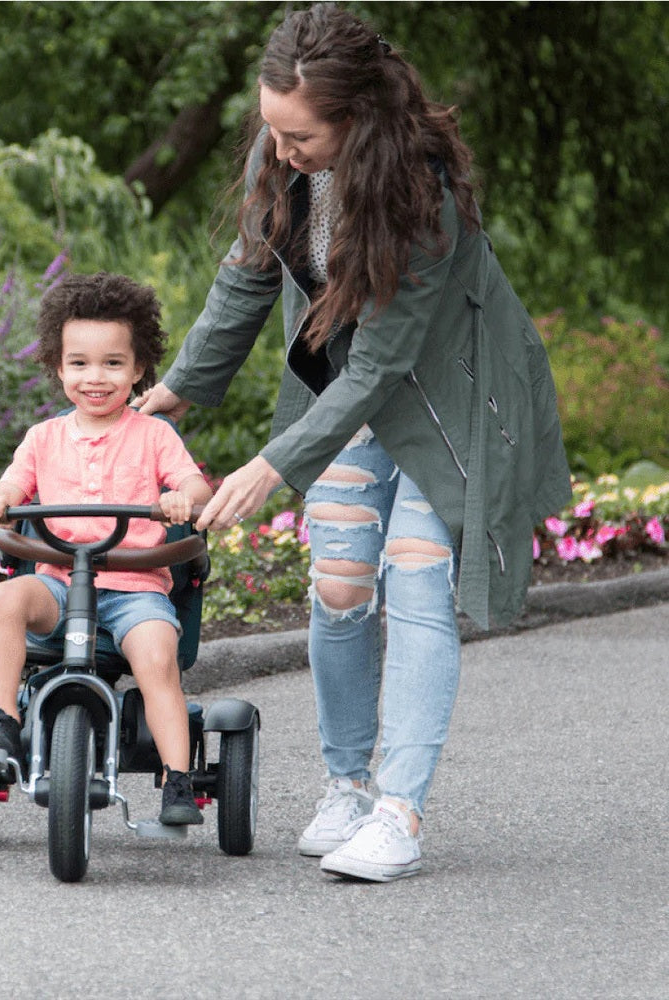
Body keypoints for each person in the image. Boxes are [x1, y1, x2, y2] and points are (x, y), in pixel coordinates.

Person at [138, 3, 571, 877]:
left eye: (299, 135)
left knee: (414, 575)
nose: (281, 149)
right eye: (272, 128)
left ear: (358, 121)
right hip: (349, 393)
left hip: (450, 396)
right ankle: (347, 788)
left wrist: (272, 464)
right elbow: (244, 283)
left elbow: (381, 368)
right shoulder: (283, 154)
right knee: (339, 584)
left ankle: (401, 816)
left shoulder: (422, 199)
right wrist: (171, 397)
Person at [0, 272, 213, 825]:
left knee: (157, 658)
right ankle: (4, 720)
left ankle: (178, 779)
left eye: (112, 363)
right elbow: (14, 486)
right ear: (58, 366)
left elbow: (194, 486)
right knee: (7, 599)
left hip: (134, 591)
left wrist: (182, 498)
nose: (94, 378)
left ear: (139, 369)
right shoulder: (43, 438)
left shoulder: (154, 436)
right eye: (78, 363)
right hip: (58, 585)